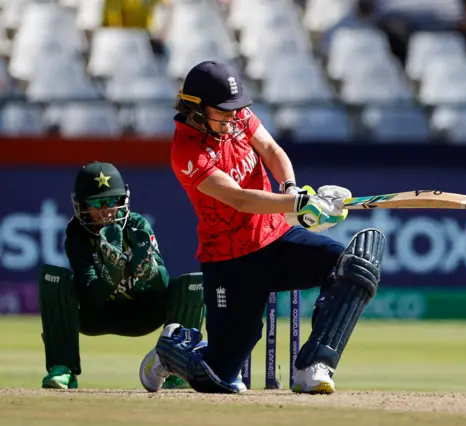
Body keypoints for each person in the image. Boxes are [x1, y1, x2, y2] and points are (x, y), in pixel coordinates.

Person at [138, 61, 386, 394]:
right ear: (195, 108)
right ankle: (173, 349)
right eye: (223, 111)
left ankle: (313, 366)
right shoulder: (186, 152)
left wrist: (292, 189)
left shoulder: (238, 119)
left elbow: (271, 149)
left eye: (236, 110)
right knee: (217, 378)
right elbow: (238, 199)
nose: (233, 117)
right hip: (230, 262)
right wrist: (299, 206)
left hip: (276, 239)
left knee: (351, 268)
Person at [39, 161, 205, 389]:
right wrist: (111, 274)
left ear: (123, 200)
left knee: (192, 285)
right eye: (96, 203)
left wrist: (151, 271)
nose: (105, 210)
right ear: (82, 206)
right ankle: (62, 369)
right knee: (54, 280)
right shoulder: (77, 233)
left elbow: (164, 283)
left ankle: (178, 371)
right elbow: (89, 296)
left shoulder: (137, 224)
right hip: (95, 314)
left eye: (111, 201)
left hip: (142, 314)